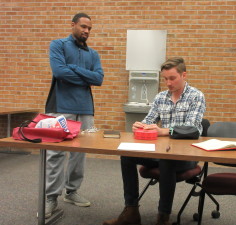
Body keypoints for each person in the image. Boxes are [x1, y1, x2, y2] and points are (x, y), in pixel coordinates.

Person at [103, 57, 206, 225]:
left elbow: (193, 129)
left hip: (186, 155)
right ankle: (131, 212)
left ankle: (163, 217)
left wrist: (164, 131)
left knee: (166, 161)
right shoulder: (160, 97)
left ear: (184, 75)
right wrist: (141, 126)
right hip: (161, 152)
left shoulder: (196, 96)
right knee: (126, 155)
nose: (168, 83)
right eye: (165, 79)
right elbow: (149, 120)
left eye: (172, 78)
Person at [44, 13, 104, 218]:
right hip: (61, 107)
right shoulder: (58, 45)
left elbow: (99, 79)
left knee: (80, 154)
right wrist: (85, 77)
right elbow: (59, 72)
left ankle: (72, 192)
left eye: (89, 28)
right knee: (56, 154)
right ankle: (51, 197)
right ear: (73, 25)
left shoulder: (93, 54)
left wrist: (75, 69)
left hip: (85, 109)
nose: (86, 31)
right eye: (83, 27)